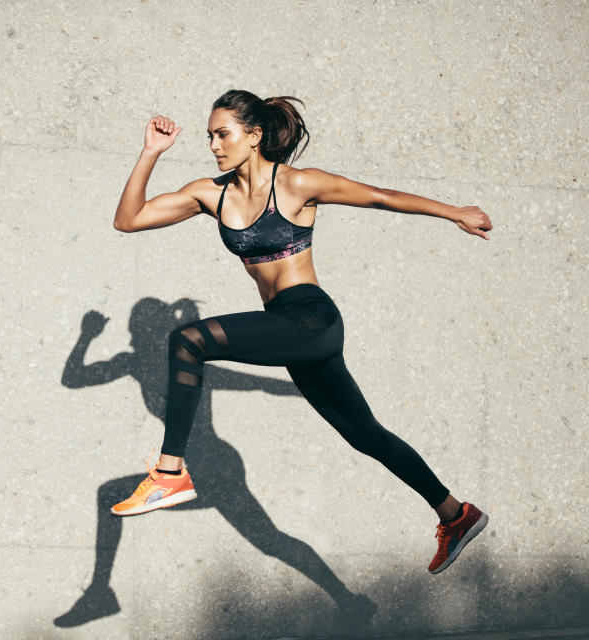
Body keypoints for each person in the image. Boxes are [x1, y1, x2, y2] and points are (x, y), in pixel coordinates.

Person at [110, 89, 492, 574]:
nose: (213, 145)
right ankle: (456, 514)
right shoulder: (210, 193)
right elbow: (129, 220)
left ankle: (169, 473)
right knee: (365, 435)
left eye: (222, 134)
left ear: (254, 135)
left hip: (311, 319)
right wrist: (150, 154)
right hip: (285, 331)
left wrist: (455, 211)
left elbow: (380, 196)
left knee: (189, 340)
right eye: (209, 136)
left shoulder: (297, 184)